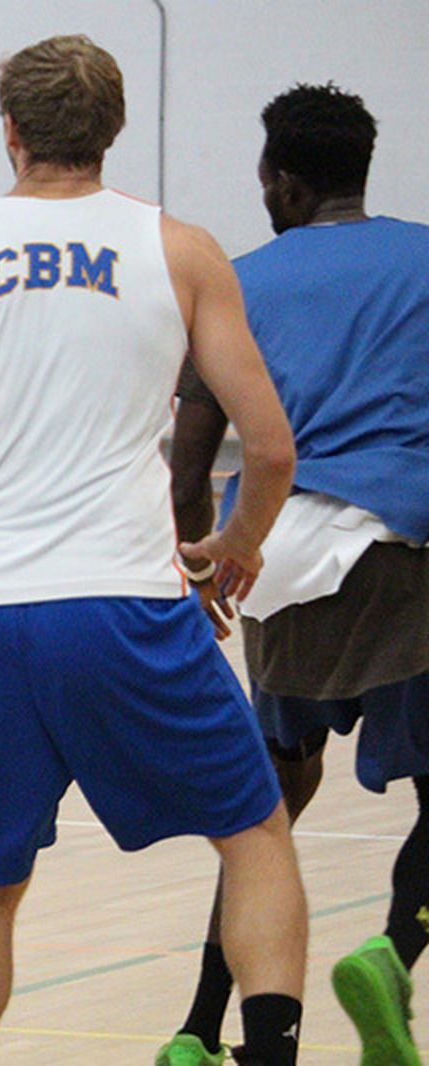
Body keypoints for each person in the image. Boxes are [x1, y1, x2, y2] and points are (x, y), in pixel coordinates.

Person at [0, 35, 308, 1066]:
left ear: (11, 132)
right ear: (111, 131)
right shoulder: (180, 251)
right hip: (118, 597)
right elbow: (268, 444)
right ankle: (267, 1053)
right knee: (253, 831)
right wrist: (236, 543)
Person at [159, 83, 429, 1066]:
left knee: (262, 821)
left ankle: (197, 1030)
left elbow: (187, 467)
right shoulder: (424, 258)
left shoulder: (238, 280)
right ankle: (392, 958)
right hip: (402, 557)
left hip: (268, 561)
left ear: (279, 179)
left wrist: (196, 577)